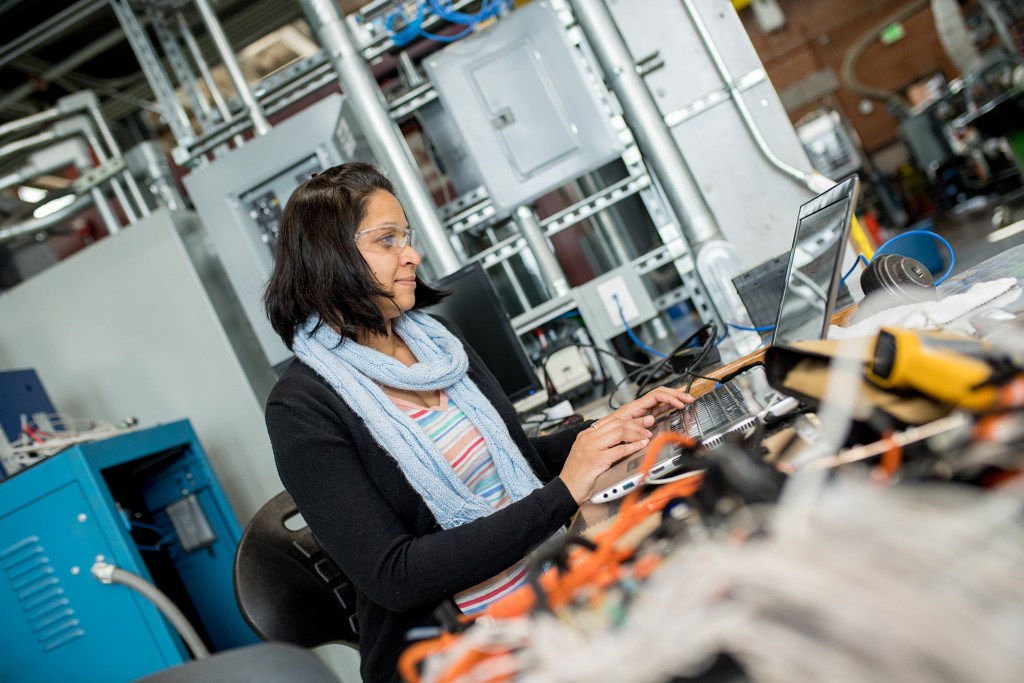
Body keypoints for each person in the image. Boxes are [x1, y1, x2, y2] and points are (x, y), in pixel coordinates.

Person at [263, 162, 693, 683]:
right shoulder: (302, 408)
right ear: (328, 258)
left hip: (544, 586)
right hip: (453, 651)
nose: (412, 255)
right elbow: (396, 575)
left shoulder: (438, 342)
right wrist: (565, 491)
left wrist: (605, 431)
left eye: (407, 236)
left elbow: (513, 461)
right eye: (387, 240)